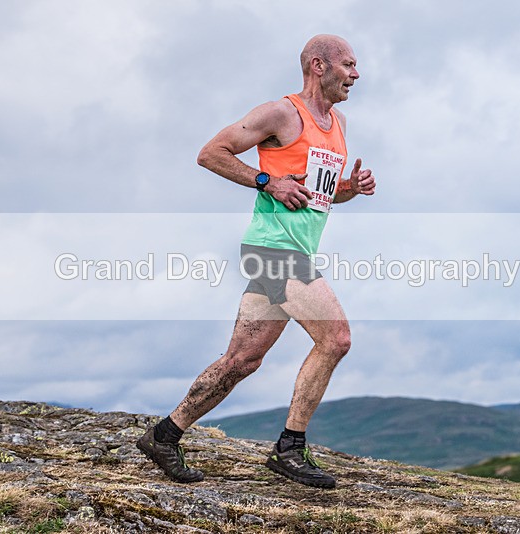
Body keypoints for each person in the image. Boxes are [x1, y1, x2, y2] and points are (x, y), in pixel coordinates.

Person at [137, 34, 375, 488]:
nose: (356, 74)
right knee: (337, 338)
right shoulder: (281, 113)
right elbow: (211, 154)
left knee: (242, 361)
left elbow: (319, 195)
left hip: (294, 251)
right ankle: (290, 448)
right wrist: (268, 181)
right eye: (349, 64)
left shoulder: (339, 121)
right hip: (272, 251)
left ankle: (165, 435)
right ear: (318, 66)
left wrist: (350, 187)